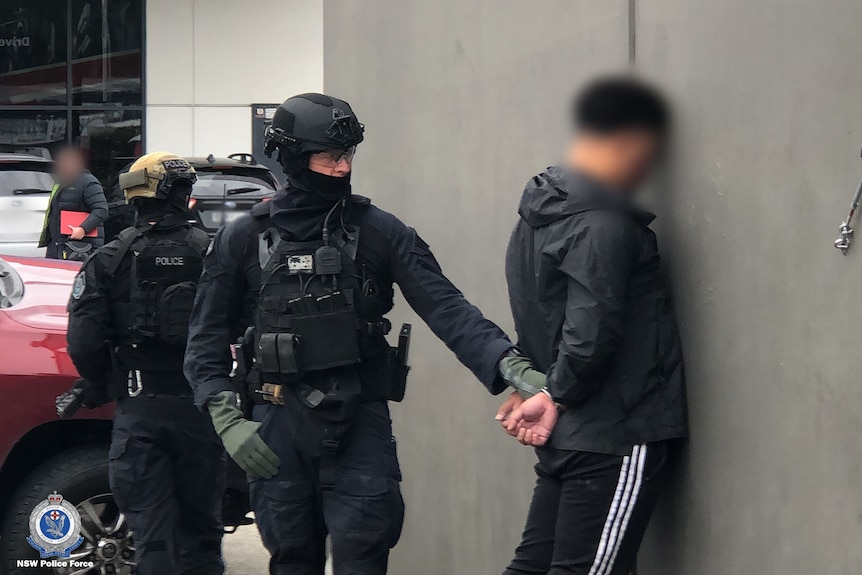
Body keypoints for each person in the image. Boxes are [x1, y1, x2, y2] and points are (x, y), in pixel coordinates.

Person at [183, 93, 550, 575]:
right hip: (274, 424)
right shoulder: (242, 239)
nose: (342, 168)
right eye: (330, 156)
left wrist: (514, 368)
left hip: (359, 424)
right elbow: (204, 340)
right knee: (292, 557)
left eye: (348, 155)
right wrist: (225, 418)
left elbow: (448, 308)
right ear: (294, 157)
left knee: (364, 553)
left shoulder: (380, 231)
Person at [497, 77, 688, 575]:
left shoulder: (536, 217)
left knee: (532, 566)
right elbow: (590, 333)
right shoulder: (603, 224)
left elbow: (540, 318)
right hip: (614, 432)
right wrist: (555, 395)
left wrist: (542, 392)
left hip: (570, 431)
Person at [66, 152, 226, 575]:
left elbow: (83, 341)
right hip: (201, 412)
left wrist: (100, 382)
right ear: (181, 194)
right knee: (202, 537)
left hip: (140, 413)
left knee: (152, 539)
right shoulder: (214, 254)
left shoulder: (109, 259)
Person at [39, 146, 108, 260]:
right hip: (58, 246)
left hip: (80, 248)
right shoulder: (61, 183)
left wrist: (83, 229)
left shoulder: (88, 182)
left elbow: (101, 210)